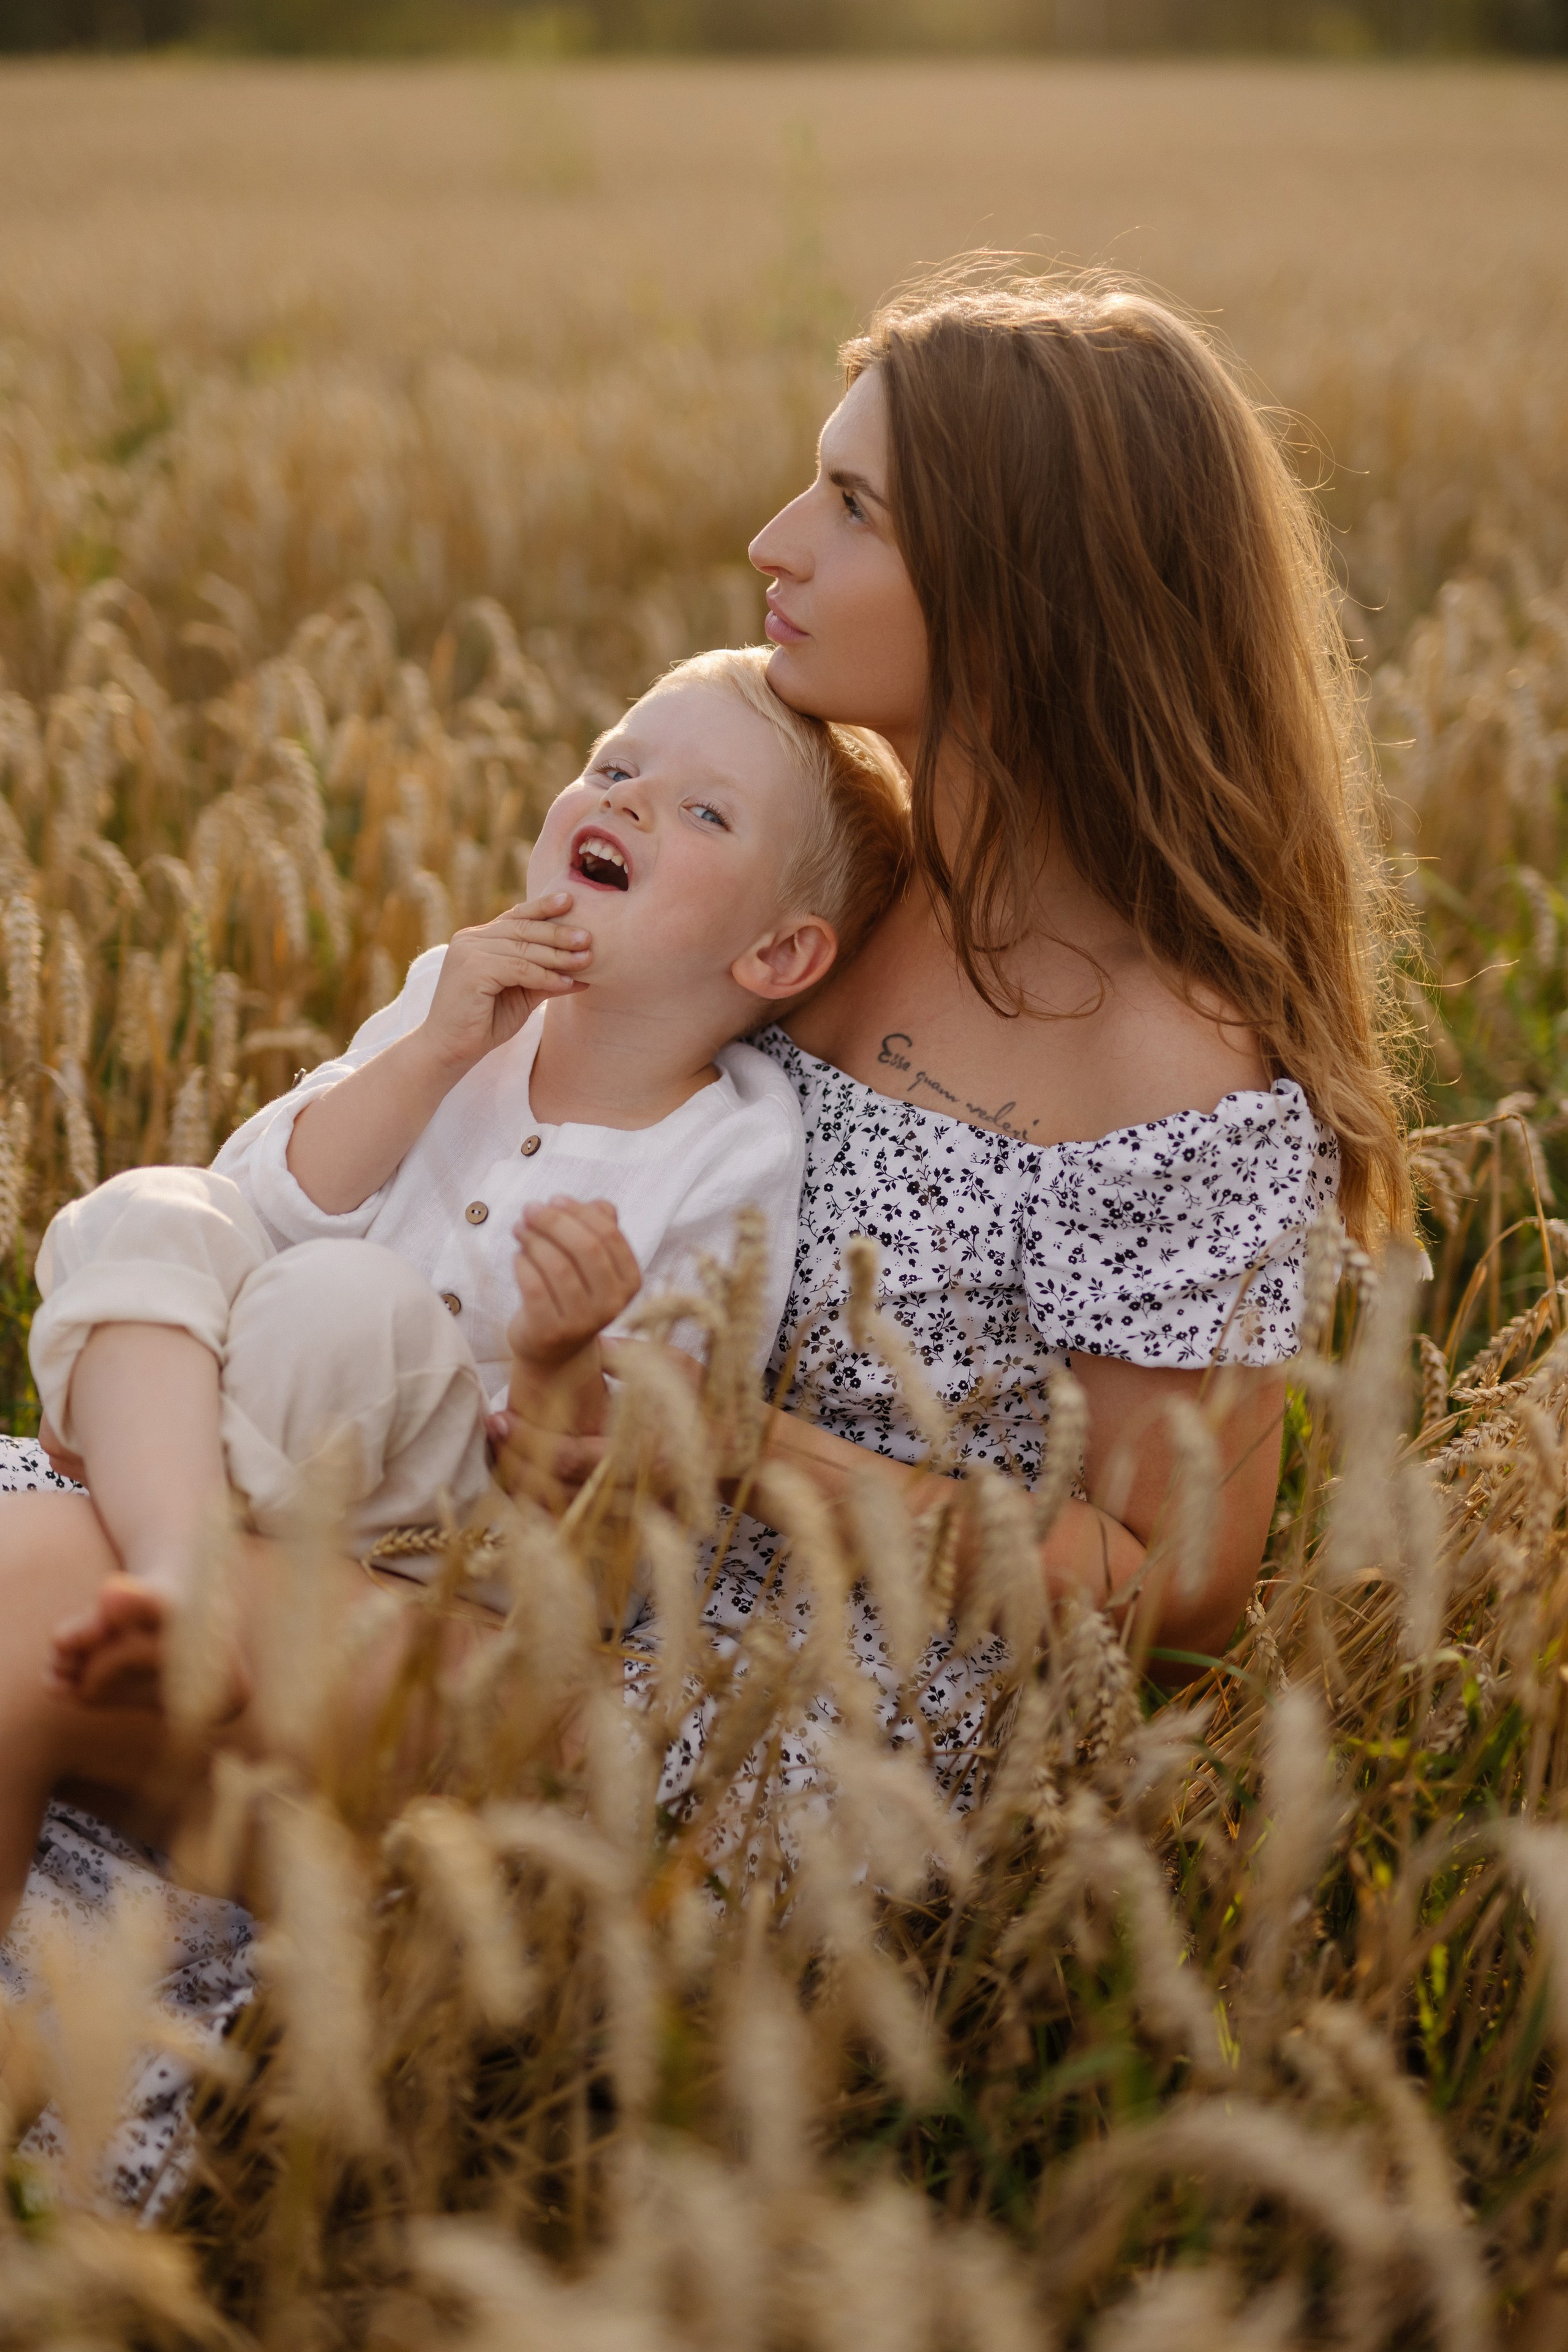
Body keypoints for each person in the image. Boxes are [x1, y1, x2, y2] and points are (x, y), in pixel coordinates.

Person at [0, 260, 1408, 1940]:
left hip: (767, 1712)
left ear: (1025, 586)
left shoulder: (1175, 1063)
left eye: (854, 505)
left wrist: (737, 1449)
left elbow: (1170, 1600)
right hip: (501, 1542)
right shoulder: (827, 897)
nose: (776, 540)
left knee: (29, 1608)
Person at [24, 646, 909, 1713]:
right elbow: (264, 1204)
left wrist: (558, 1354)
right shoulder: (456, 999)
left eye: (705, 814)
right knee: (157, 1204)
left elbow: (622, 1486)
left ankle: (139, 1442)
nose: (626, 806)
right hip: (293, 1392)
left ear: (775, 956)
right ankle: (174, 1570)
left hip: (471, 1546)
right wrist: (428, 1054)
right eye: (615, 768)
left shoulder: (732, 1152)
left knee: (343, 1300)